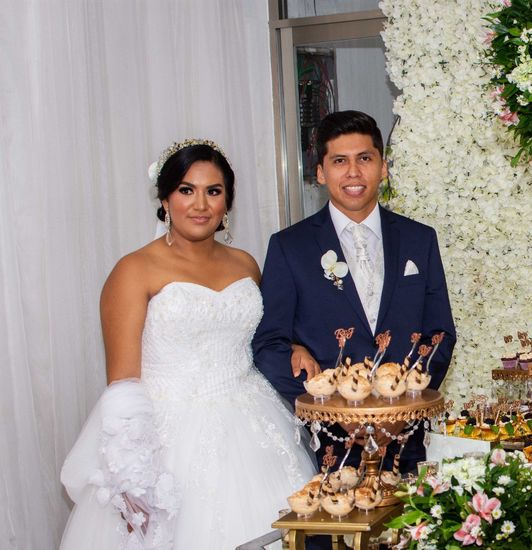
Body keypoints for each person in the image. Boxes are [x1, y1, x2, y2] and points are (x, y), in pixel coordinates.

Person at [59, 140, 314, 549]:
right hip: (169, 437)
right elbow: (122, 383)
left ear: (227, 202)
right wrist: (133, 476)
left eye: (213, 191)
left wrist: (296, 347)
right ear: (165, 199)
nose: (200, 204)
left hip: (254, 422)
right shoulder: (133, 269)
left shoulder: (246, 263)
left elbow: (267, 337)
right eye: (186, 190)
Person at [253, 110, 456, 474]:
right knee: (332, 531)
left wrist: (400, 408)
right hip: (330, 445)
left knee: (410, 530)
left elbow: (439, 334)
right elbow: (270, 345)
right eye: (339, 161)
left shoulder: (419, 239)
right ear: (320, 172)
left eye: (365, 158)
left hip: (406, 437)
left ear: (383, 166)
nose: (353, 172)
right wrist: (336, 410)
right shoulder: (290, 247)